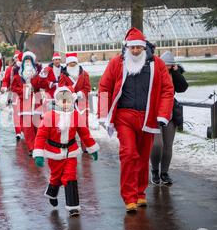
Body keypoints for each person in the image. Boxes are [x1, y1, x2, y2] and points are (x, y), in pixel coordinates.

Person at [97, 27, 174, 213]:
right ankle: (129, 197)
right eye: (132, 48)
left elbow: (167, 90)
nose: (135, 51)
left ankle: (140, 193)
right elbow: (104, 87)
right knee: (129, 154)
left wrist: (163, 115)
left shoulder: (157, 64)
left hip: (148, 117)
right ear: (127, 48)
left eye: (138, 48)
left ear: (144, 47)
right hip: (125, 116)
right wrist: (103, 114)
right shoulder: (117, 63)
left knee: (142, 156)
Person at [33, 86, 99, 217]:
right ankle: (52, 192)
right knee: (56, 177)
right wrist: (39, 154)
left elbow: (84, 133)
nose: (66, 103)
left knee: (70, 176)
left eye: (68, 100)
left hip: (71, 151)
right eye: (62, 100)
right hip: (54, 153)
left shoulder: (75, 115)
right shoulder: (49, 116)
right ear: (56, 101)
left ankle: (73, 207)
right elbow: (40, 136)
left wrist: (92, 148)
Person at [150, 51, 188, 186]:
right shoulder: (154, 73)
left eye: (170, 65)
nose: (167, 67)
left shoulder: (173, 74)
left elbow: (183, 87)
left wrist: (177, 72)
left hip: (170, 113)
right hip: (155, 113)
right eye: (165, 65)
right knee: (157, 144)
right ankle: (154, 170)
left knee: (168, 145)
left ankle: (164, 173)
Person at [9, 51, 46, 156]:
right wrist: (24, 91)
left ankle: (38, 146)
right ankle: (32, 148)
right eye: (26, 61)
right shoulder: (18, 76)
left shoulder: (37, 74)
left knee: (37, 126)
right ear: (23, 62)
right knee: (27, 127)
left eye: (30, 61)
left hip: (36, 102)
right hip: (24, 102)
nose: (28, 63)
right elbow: (14, 88)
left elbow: (43, 85)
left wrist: (42, 78)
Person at [58, 52, 91, 152]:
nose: (72, 64)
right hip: (69, 104)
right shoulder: (63, 75)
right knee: (69, 125)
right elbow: (61, 88)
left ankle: (86, 145)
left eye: (74, 63)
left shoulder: (85, 74)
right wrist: (70, 92)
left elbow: (87, 88)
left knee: (84, 125)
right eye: (70, 63)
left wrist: (80, 93)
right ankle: (68, 146)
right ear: (67, 64)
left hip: (81, 103)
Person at [1, 50, 23, 140]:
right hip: (14, 93)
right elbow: (5, 80)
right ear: (14, 59)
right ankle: (18, 131)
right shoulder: (10, 69)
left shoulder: (27, 68)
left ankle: (23, 128)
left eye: (19, 58)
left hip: (26, 94)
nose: (18, 59)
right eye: (16, 58)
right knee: (16, 113)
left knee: (24, 113)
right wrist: (4, 87)